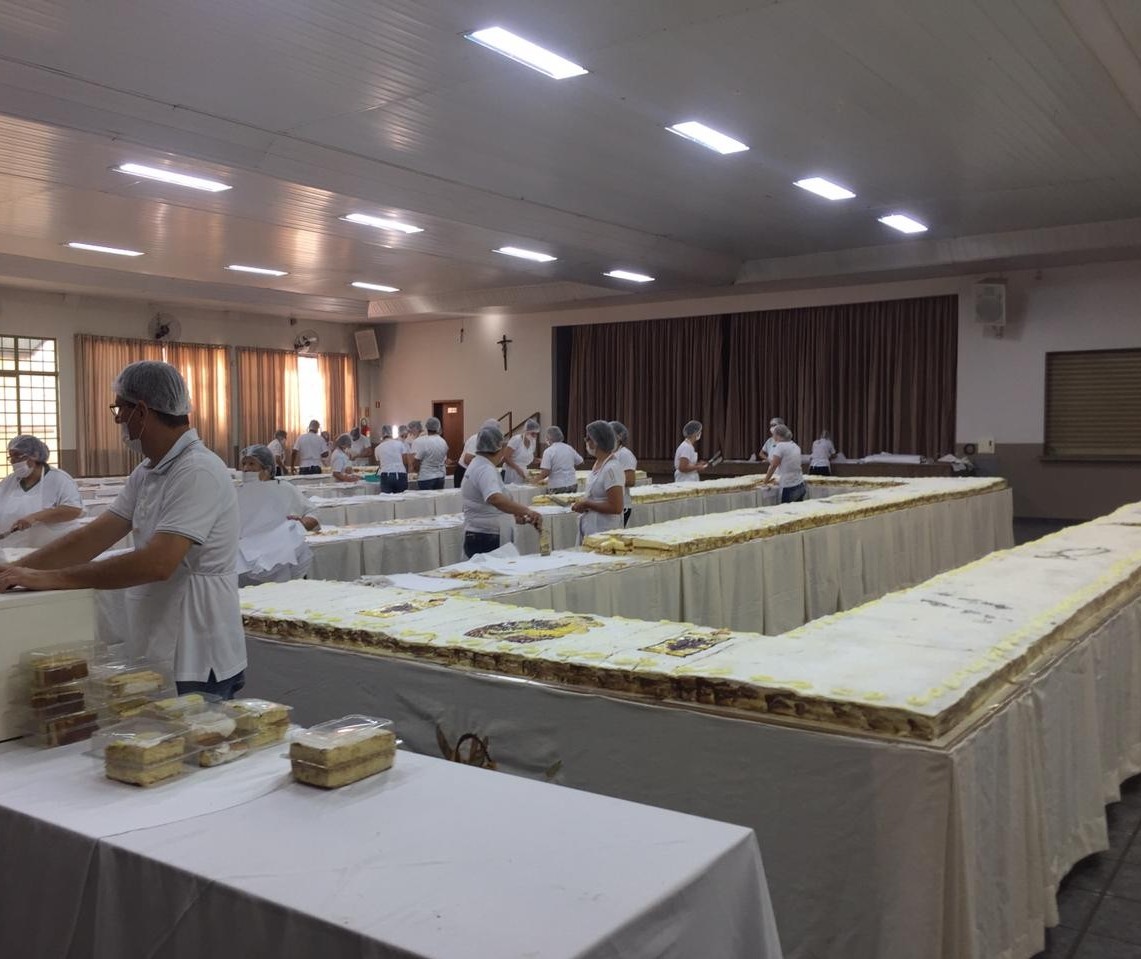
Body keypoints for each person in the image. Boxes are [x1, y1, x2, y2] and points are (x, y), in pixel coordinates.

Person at [0, 361, 247, 699]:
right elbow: (91, 537)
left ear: (141, 411)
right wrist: (19, 570)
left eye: (120, 410)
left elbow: (157, 563)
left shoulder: (197, 470)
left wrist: (51, 578)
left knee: (195, 745)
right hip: (161, 634)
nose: (118, 421)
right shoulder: (148, 472)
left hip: (199, 645)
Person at [461, 425, 543, 558]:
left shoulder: (480, 464)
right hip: (487, 536)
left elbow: (487, 505)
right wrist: (526, 511)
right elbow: (495, 498)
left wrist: (514, 516)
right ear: (499, 447)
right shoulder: (485, 469)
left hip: (482, 532)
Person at [1, 435, 83, 539]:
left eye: (18, 456)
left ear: (35, 455)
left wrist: (34, 517)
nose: (13, 461)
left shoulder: (59, 479)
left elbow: (73, 510)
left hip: (48, 546)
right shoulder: (9, 481)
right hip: (12, 546)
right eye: (11, 457)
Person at [239, 446, 320, 531]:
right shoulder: (239, 493)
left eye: (251, 464)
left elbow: (313, 513)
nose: (246, 469)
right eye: (244, 464)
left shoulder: (285, 489)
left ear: (267, 469)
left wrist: (301, 524)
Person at [570, 421, 625, 543]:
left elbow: (616, 507)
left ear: (596, 442)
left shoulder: (611, 468)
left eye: (587, 438)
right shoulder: (598, 464)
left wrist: (587, 504)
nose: (586, 442)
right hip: (591, 527)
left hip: (604, 530)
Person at [764, 424, 807, 503]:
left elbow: (773, 466)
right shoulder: (795, 445)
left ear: (777, 435)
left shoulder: (780, 446)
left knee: (787, 513)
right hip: (800, 484)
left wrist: (765, 481)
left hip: (789, 487)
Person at [456, 418, 500, 489]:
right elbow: (467, 459)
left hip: (473, 472)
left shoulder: (486, 440)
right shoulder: (476, 439)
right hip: (464, 471)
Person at [537, 426, 583, 494]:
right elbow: (581, 462)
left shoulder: (549, 451)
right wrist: (569, 469)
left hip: (557, 486)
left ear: (549, 438)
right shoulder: (569, 448)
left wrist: (535, 480)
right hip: (572, 483)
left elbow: (545, 472)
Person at [610, 421, 637, 526]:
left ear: (619, 437)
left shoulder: (625, 454)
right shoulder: (611, 454)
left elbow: (630, 480)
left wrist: (610, 481)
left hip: (622, 505)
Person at [412, 417, 449, 490]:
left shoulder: (424, 442)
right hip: (440, 477)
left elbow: (416, 462)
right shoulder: (443, 442)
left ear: (427, 427)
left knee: (427, 501)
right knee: (438, 500)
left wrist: (416, 471)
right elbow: (444, 459)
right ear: (438, 427)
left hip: (426, 477)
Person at [504, 419, 540, 483]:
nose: (534, 436)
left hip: (524, 472)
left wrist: (540, 460)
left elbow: (527, 458)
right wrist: (518, 469)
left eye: (536, 434)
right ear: (526, 431)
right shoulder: (516, 440)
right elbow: (506, 457)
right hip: (512, 472)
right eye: (532, 433)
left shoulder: (532, 442)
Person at [374, 425, 408, 494]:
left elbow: (380, 465)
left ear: (382, 434)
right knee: (402, 498)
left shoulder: (378, 448)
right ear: (391, 433)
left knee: (387, 500)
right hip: (400, 473)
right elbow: (405, 461)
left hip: (386, 475)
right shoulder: (400, 444)